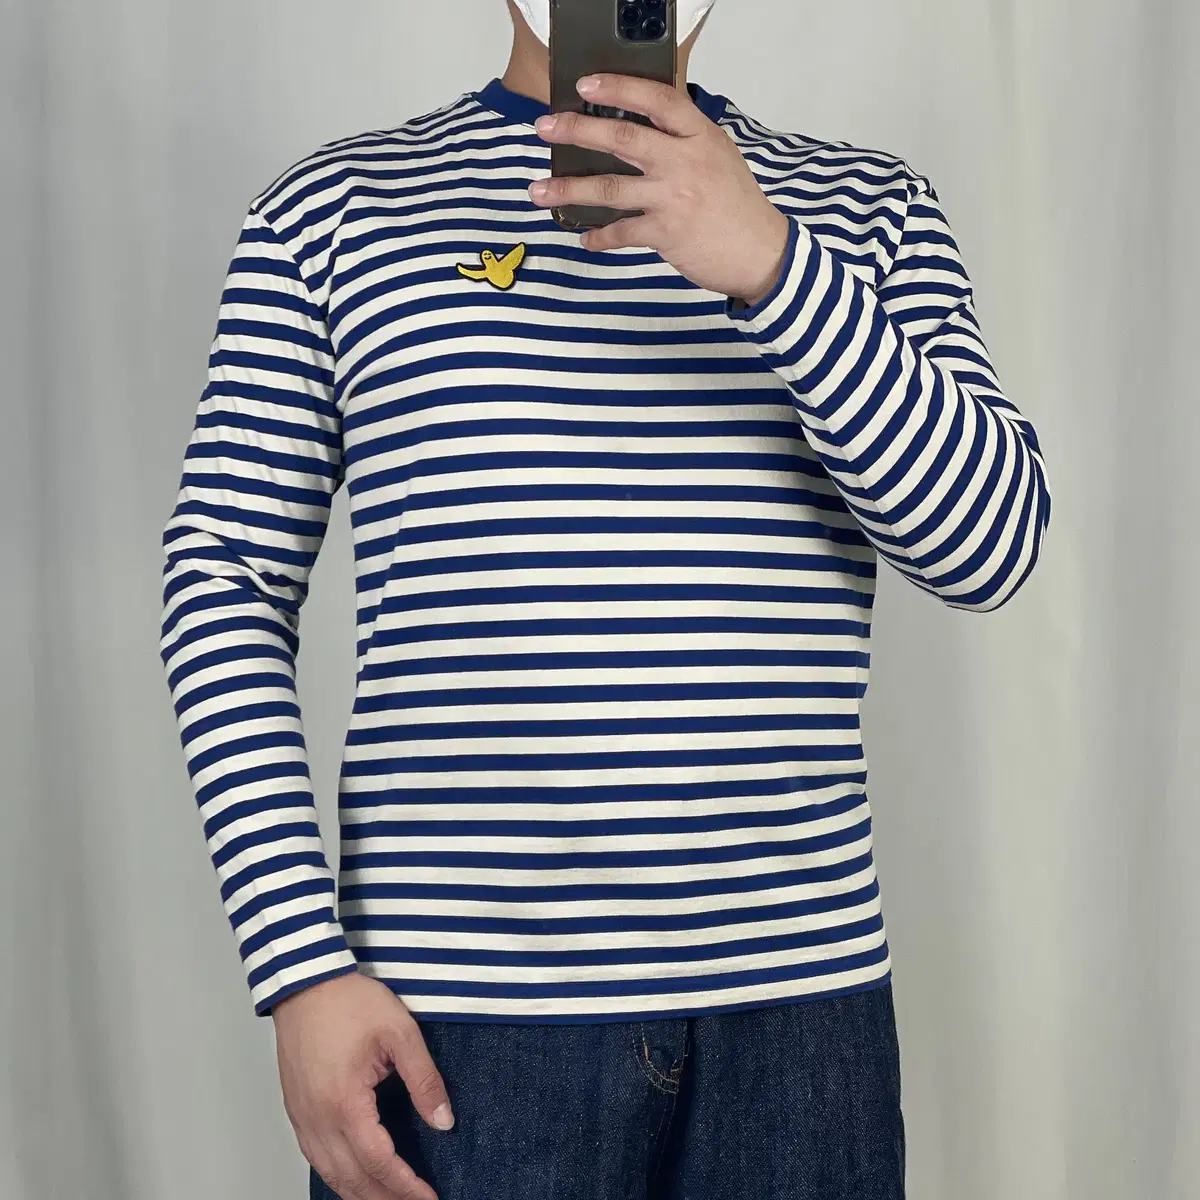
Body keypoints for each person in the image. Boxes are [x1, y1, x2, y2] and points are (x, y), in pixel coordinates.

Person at [158, 1, 1051, 1197]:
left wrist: (776, 267)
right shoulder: (333, 210)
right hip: (461, 1021)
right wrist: (300, 967)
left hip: (797, 1019)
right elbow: (224, 582)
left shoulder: (867, 209)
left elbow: (988, 546)